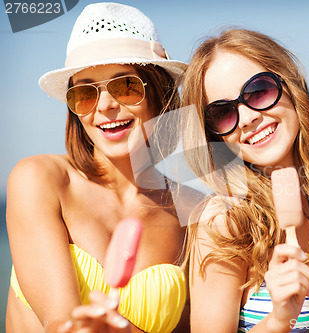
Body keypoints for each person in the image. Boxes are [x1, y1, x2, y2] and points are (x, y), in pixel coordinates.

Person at [6, 3, 190, 332]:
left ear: (159, 92)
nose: (105, 105)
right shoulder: (41, 180)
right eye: (85, 93)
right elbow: (60, 322)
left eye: (126, 86)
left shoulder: (192, 212)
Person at [180, 28, 309, 332]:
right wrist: (279, 319)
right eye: (223, 112)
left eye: (258, 91)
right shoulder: (226, 222)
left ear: (289, 85)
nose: (247, 118)